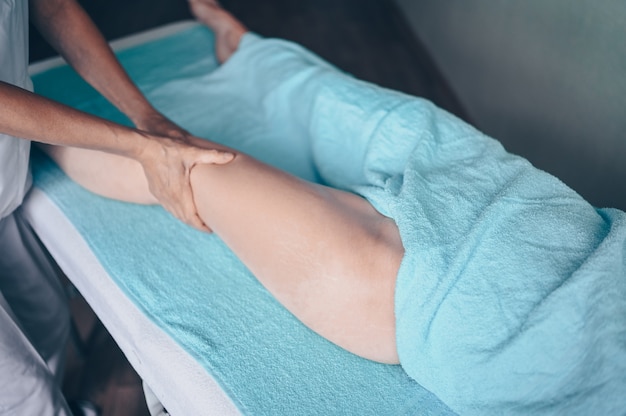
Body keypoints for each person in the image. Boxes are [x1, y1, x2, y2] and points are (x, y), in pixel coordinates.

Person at [40, 0, 626, 414]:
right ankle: (256, 59)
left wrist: (33, 125)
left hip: (444, 298)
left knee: (192, 170)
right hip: (556, 221)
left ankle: (43, 133)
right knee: (408, 124)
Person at [0, 0, 233, 414]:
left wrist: (147, 118)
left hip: (6, 183)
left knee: (46, 323)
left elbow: (53, 7)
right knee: (23, 389)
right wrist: (141, 147)